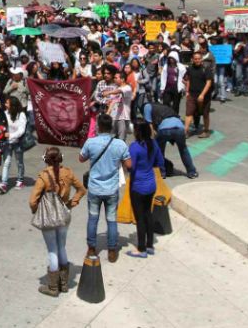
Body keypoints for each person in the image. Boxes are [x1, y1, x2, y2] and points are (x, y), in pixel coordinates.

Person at [29, 146, 87, 297]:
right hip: (64, 214)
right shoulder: (68, 173)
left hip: (48, 217)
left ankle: (53, 288)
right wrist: (71, 203)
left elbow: (33, 200)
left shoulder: (43, 176)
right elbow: (81, 190)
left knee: (52, 250)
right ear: (60, 158)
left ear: (46, 160)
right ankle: (64, 284)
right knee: (62, 247)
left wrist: (36, 210)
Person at [79, 114, 132, 262]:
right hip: (111, 189)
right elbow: (129, 165)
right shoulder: (120, 144)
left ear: (99, 127)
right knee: (111, 220)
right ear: (111, 127)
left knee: (93, 219)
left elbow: (81, 158)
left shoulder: (91, 142)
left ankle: (91, 248)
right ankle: (112, 250)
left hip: (95, 189)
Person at [125, 119, 164, 258]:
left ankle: (141, 249)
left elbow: (131, 166)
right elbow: (159, 162)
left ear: (137, 131)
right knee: (148, 214)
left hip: (138, 186)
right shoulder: (153, 144)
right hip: (151, 184)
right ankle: (149, 245)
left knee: (139, 218)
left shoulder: (134, 147)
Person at [142, 102, 198, 179]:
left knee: (159, 150)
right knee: (183, 150)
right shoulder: (165, 107)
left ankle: (161, 173)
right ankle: (192, 172)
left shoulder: (147, 106)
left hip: (165, 129)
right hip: (180, 128)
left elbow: (149, 125)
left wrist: (151, 140)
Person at [0, 96, 27, 194]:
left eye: (7, 103)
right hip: (7, 142)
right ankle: (4, 183)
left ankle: (20, 180)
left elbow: (21, 130)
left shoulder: (21, 115)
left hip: (18, 142)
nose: (5, 105)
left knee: (19, 162)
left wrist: (11, 135)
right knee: (6, 162)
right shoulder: (5, 113)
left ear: (13, 105)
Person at [184, 51, 214, 138]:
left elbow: (208, 83)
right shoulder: (190, 69)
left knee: (205, 114)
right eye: (195, 59)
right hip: (192, 95)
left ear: (202, 59)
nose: (197, 60)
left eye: (199, 59)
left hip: (205, 96)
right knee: (189, 113)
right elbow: (188, 80)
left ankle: (206, 131)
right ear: (193, 59)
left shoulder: (206, 69)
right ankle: (185, 131)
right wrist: (187, 91)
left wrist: (202, 95)